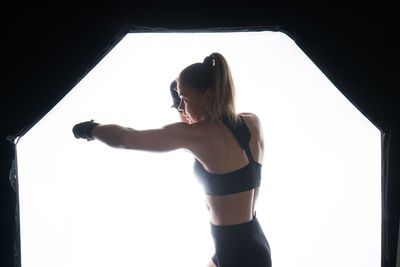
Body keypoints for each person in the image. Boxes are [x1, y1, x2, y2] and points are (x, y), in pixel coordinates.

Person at [73, 53, 272, 267]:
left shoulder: (199, 136)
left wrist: (88, 129)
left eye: (184, 99)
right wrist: (185, 102)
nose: (181, 108)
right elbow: (196, 130)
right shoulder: (252, 121)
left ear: (208, 96)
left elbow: (125, 138)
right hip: (250, 242)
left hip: (236, 255)